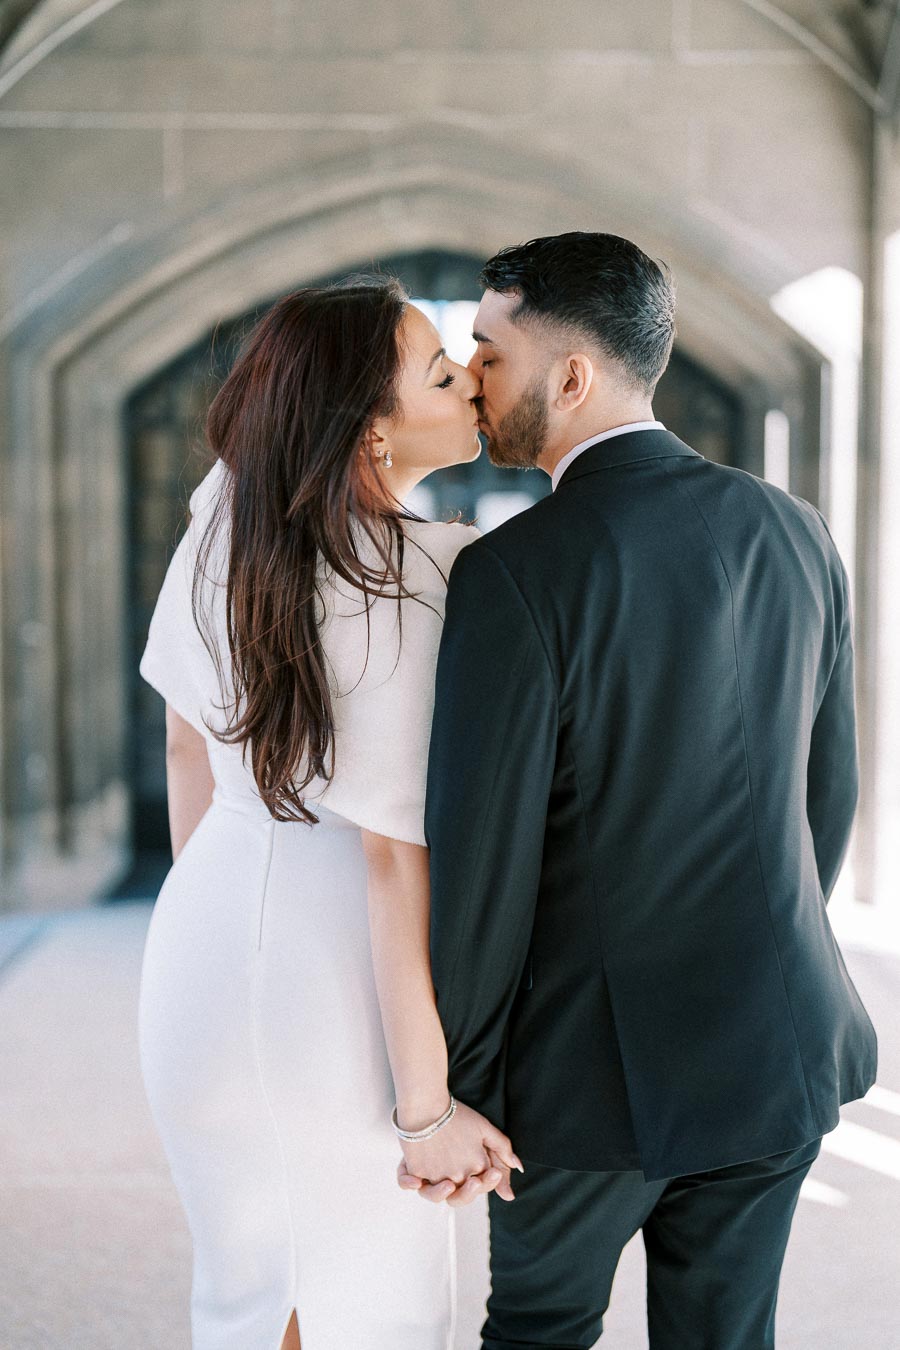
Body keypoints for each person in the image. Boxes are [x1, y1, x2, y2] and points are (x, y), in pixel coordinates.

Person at [419, 231, 879, 1349]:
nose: (473, 377)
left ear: (572, 376)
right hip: (776, 1043)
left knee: (537, 1333)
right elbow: (824, 800)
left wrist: (462, 1082)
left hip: (582, 1080)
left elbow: (483, 866)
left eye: (490, 352)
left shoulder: (516, 570)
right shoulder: (796, 531)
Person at [136, 278, 521, 1350]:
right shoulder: (426, 573)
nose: (472, 381)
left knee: (252, 1291)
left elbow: (184, 746)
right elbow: (394, 862)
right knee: (363, 1300)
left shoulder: (225, 515)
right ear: (370, 434)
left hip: (200, 935)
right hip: (329, 978)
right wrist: (426, 1112)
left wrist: (226, 918)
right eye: (440, 373)